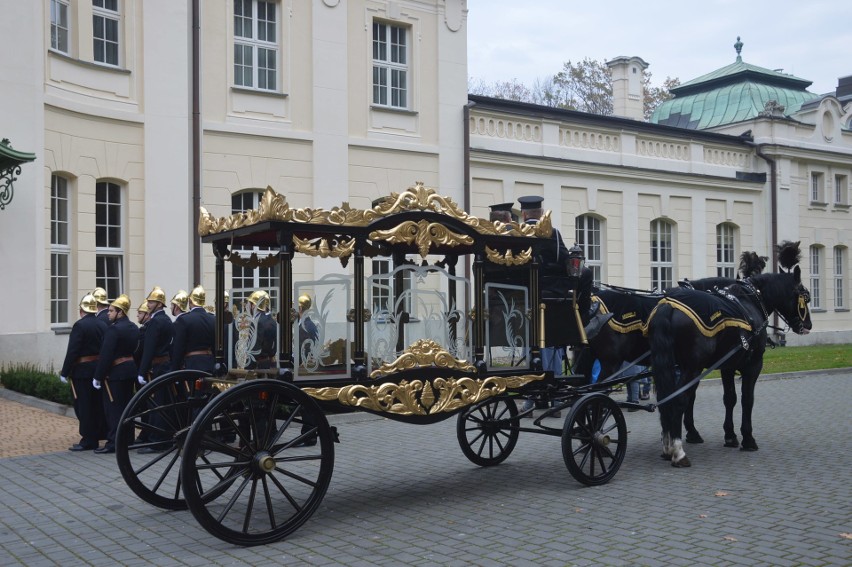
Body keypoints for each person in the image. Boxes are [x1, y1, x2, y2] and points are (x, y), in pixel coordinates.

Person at [518, 195, 570, 417]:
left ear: (523, 214)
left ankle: (530, 400)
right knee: (554, 347)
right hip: (553, 300)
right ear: (541, 213)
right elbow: (566, 261)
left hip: (525, 299)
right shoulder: (554, 234)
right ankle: (555, 399)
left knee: (534, 349)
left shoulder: (517, 233)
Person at [92, 294, 139, 454]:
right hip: (130, 370)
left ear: (120, 312)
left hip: (116, 373)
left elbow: (106, 354)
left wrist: (98, 376)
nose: (108, 313)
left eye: (111, 311)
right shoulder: (133, 327)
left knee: (113, 409)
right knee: (128, 406)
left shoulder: (114, 329)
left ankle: (113, 442)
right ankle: (129, 439)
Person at [59, 294, 106, 452]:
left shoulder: (80, 326)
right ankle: (95, 434)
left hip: (82, 371)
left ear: (81, 310)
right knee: (96, 405)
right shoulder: (102, 324)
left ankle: (88, 439)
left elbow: (73, 350)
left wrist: (64, 372)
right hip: (97, 369)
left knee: (84, 406)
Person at [135, 286, 175, 452]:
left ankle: (156, 440)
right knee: (164, 402)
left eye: (151, 301)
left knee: (157, 405)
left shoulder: (155, 322)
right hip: (166, 365)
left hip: (157, 366)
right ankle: (165, 438)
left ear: (159, 304)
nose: (148, 304)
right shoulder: (167, 320)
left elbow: (149, 349)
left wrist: (142, 372)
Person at [170, 285, 215, 374]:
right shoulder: (213, 319)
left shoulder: (184, 319)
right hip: (210, 363)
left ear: (190, 301)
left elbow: (178, 348)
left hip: (192, 365)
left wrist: (174, 370)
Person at [247, 290, 276, 369]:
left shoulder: (257, 322)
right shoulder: (272, 321)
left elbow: (254, 350)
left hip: (259, 365)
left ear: (254, 305)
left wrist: (248, 368)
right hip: (270, 363)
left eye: (250, 304)